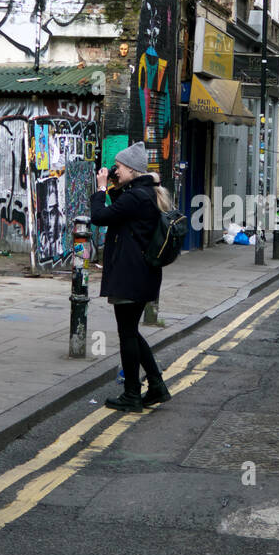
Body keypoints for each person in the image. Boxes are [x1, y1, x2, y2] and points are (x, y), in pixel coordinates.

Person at [90, 142, 170, 412]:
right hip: (141, 274)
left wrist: (102, 188)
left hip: (131, 275)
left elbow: (100, 216)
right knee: (131, 332)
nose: (116, 170)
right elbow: (119, 212)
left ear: (133, 170)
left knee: (127, 335)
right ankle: (156, 385)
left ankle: (132, 394)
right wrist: (113, 184)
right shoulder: (144, 193)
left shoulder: (136, 197)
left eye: (120, 167)